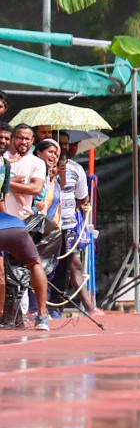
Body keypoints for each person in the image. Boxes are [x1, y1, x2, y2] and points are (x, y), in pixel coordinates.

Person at [0, 125, 51, 330]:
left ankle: (36, 315)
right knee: (31, 265)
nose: (23, 142)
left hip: (15, 224)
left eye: (28, 139)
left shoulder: (30, 163)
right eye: (18, 138)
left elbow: (35, 189)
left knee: (13, 271)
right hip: (13, 225)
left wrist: (10, 185)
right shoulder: (5, 162)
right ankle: (38, 317)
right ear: (13, 140)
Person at [56, 131, 93, 312]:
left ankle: (89, 307)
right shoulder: (41, 165)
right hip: (47, 225)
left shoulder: (77, 169)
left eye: (67, 143)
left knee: (72, 264)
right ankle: (41, 307)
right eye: (61, 143)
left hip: (69, 225)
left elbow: (82, 199)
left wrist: (70, 210)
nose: (65, 147)